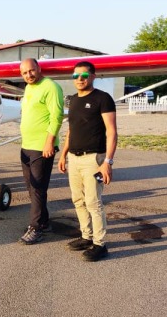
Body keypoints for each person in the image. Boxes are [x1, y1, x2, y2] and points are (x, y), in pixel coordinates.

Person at [58, 61, 117, 261]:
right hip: (74, 158)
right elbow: (71, 130)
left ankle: (100, 244)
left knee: (93, 202)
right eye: (76, 76)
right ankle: (86, 236)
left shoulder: (103, 98)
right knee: (78, 199)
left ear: (93, 76)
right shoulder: (73, 100)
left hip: (94, 158)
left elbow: (111, 131)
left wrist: (107, 161)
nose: (80, 79)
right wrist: (63, 154)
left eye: (84, 75)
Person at [18, 58, 64, 245]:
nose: (28, 75)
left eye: (31, 70)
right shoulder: (28, 88)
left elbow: (57, 115)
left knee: (38, 187)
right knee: (31, 187)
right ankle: (43, 221)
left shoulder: (51, 86)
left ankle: (35, 228)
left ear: (38, 68)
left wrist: (49, 143)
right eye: (24, 73)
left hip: (41, 147)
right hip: (26, 145)